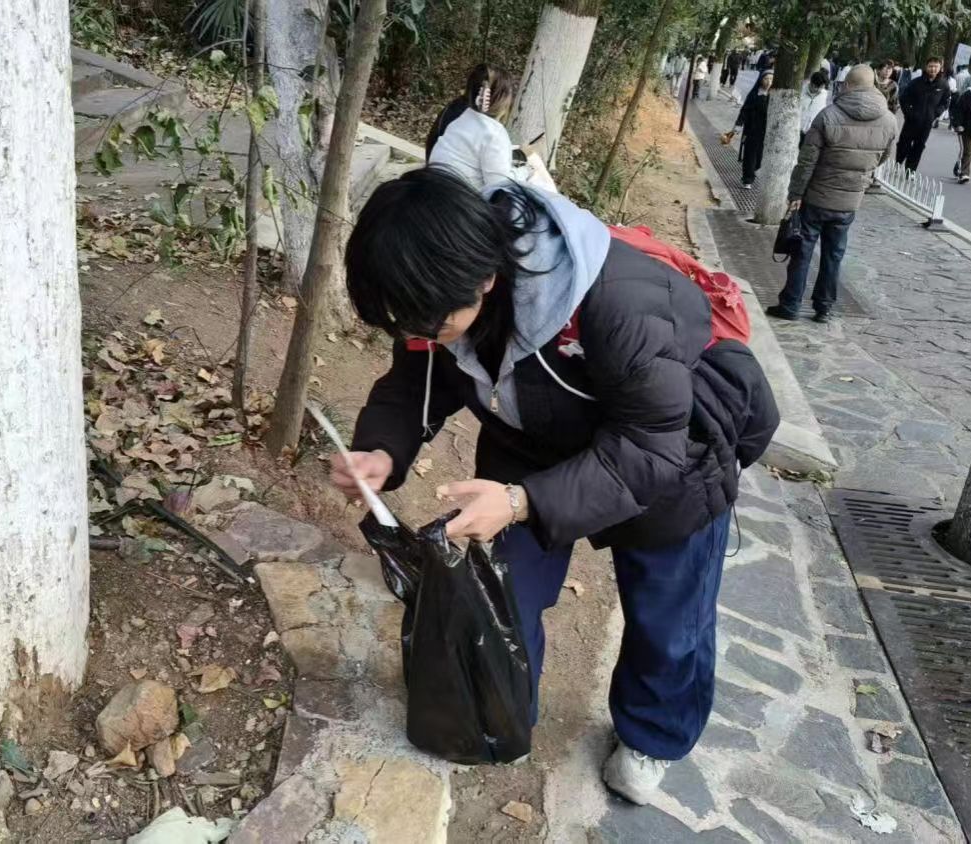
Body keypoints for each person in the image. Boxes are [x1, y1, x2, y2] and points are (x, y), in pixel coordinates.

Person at [334, 166, 778, 806]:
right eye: (403, 323)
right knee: (501, 584)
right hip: (534, 435)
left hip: (672, 454)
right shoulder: (439, 294)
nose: (415, 337)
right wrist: (382, 449)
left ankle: (653, 737)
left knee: (667, 613)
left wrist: (520, 501)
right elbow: (414, 380)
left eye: (426, 324)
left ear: (486, 280)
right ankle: (506, 704)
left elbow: (649, 448)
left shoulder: (617, 304)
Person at [767, 65, 897, 323]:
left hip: (817, 197)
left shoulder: (828, 115)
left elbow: (806, 162)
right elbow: (883, 157)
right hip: (849, 200)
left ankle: (790, 305)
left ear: (847, 85)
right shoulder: (889, 121)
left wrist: (795, 193)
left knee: (802, 251)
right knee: (834, 255)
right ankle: (824, 308)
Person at [426, 64, 519, 189]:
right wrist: (526, 171)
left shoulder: (460, 116)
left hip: (432, 183)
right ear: (504, 100)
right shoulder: (494, 133)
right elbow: (500, 187)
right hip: (457, 195)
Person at [897, 57, 952, 171]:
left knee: (919, 146)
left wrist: (936, 113)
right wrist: (909, 113)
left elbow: (945, 101)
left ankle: (910, 170)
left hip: (927, 122)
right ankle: (897, 165)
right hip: (911, 121)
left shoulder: (943, 84)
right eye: (930, 66)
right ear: (926, 67)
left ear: (940, 68)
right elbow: (904, 99)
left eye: (935, 66)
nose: (933, 69)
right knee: (904, 144)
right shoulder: (916, 82)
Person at [734, 70, 774, 187]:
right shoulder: (754, 94)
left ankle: (754, 169)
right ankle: (748, 179)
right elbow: (745, 110)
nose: (769, 82)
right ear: (760, 80)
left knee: (759, 158)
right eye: (766, 79)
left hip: (766, 131)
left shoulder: (774, 96)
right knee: (750, 155)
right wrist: (738, 124)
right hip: (752, 129)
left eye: (771, 79)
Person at [801, 70, 831, 144]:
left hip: (811, 133)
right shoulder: (801, 91)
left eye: (822, 87)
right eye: (820, 88)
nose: (821, 90)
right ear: (812, 84)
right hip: (797, 130)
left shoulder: (824, 95)